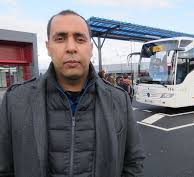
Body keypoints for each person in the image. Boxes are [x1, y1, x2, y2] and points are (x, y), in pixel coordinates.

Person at [0, 10, 145, 177]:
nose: (71, 48)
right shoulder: (15, 100)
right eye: (60, 38)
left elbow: (133, 163)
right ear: (48, 47)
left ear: (91, 48)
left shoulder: (120, 100)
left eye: (80, 39)